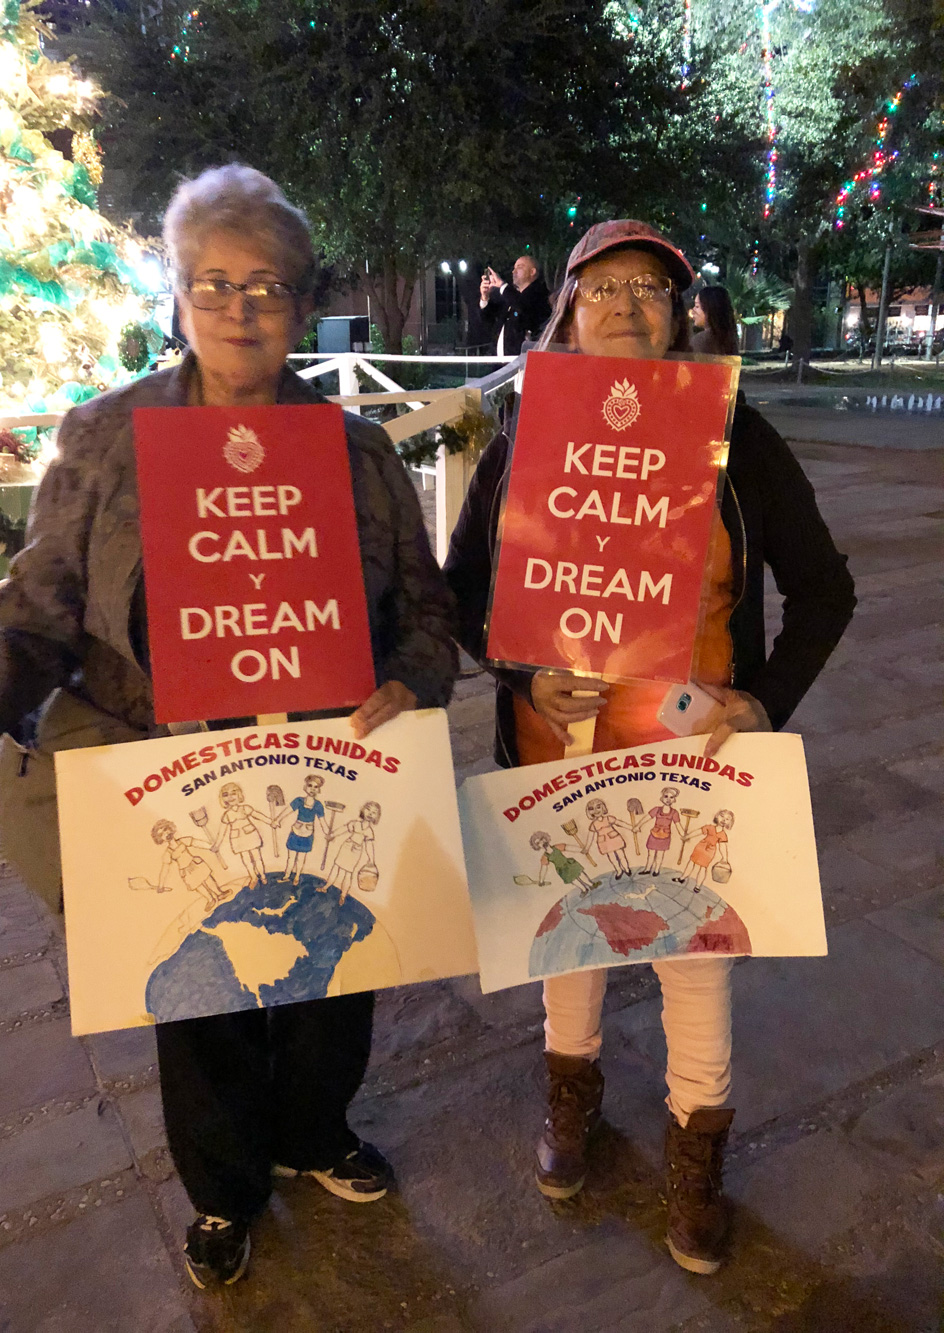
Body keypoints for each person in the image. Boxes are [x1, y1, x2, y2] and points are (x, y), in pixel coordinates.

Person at [0, 164, 457, 1290]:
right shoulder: (104, 439)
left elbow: (428, 618)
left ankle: (315, 1131)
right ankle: (225, 1188)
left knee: (329, 968)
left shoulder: (356, 453)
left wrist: (409, 683)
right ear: (177, 299)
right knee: (206, 985)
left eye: (263, 285)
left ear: (298, 300)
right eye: (211, 283)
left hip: (325, 757)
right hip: (168, 767)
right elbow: (37, 611)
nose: (237, 308)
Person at [444, 218, 855, 1275]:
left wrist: (764, 704)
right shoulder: (520, 435)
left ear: (680, 314)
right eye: (601, 288)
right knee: (566, 948)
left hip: (694, 758)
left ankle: (692, 1160)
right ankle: (569, 1112)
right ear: (567, 312)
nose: (624, 305)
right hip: (554, 748)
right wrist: (521, 673)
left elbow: (823, 591)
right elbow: (460, 595)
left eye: (648, 289)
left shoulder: (738, 435)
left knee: (693, 957)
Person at [479, 255, 551, 356]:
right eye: (514, 268)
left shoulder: (540, 295)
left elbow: (524, 308)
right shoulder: (510, 297)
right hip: (502, 366)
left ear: (532, 272)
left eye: (520, 267)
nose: (514, 271)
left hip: (522, 365)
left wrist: (502, 286)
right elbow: (488, 322)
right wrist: (485, 297)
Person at [691, 285, 740, 356]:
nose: (693, 311)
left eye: (697, 306)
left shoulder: (701, 341)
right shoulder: (730, 339)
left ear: (710, 309)